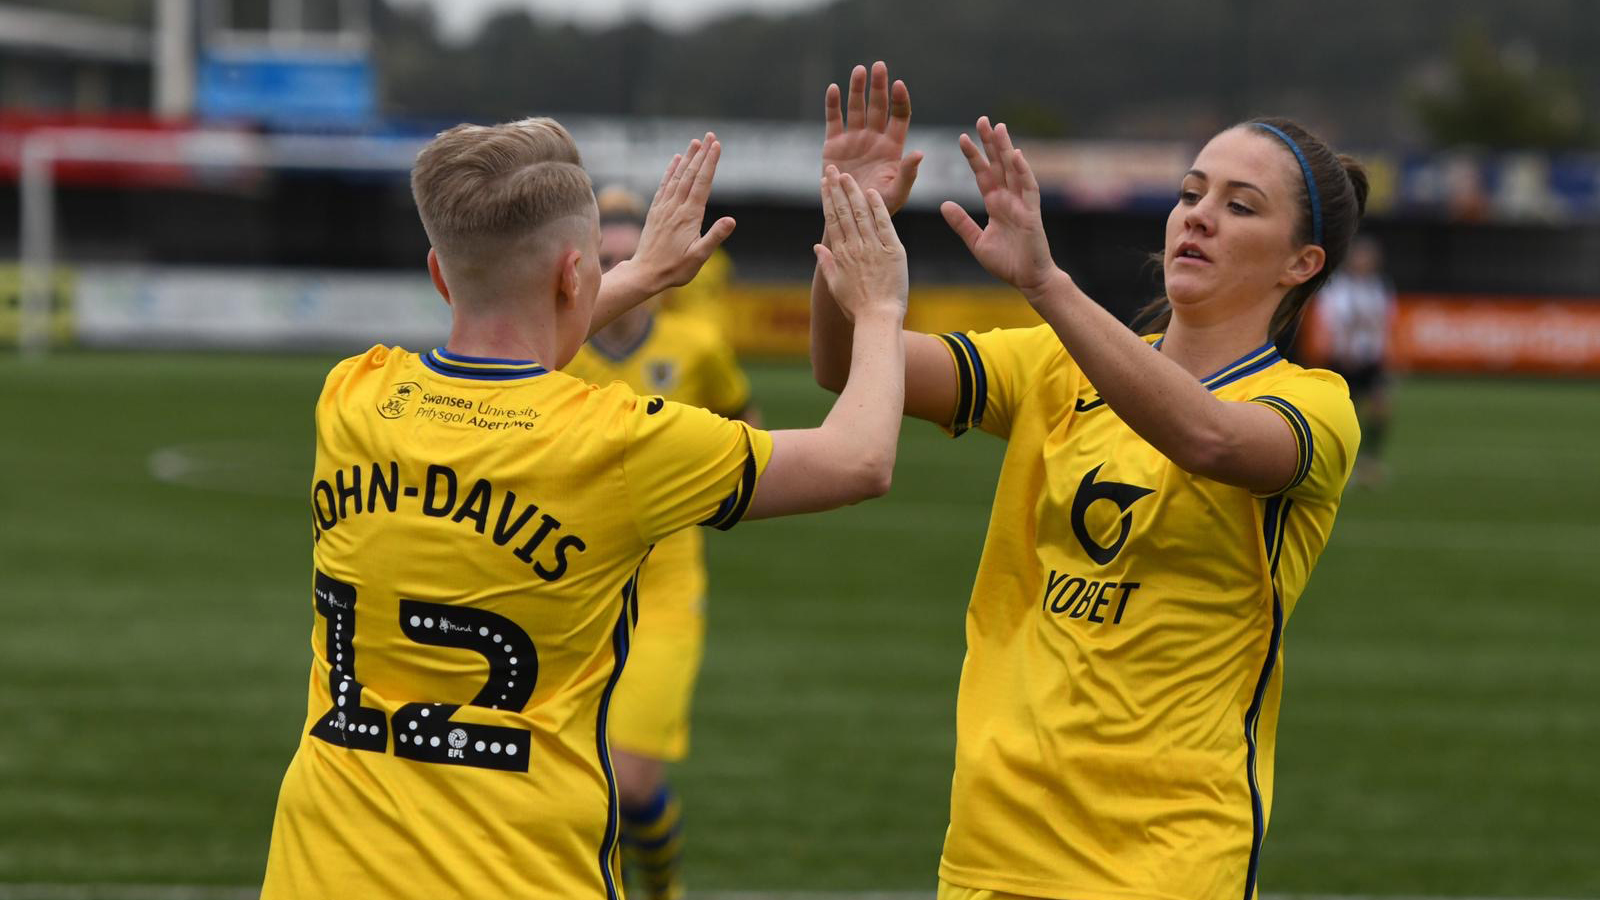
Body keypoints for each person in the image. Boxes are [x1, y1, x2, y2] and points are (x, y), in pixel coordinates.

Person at [260, 117, 911, 900]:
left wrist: (635, 274)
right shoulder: (618, 444)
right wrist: (876, 309)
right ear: (576, 276)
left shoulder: (354, 394)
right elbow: (860, 459)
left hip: (318, 873)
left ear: (439, 273)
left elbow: (517, 346)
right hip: (515, 876)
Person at [811, 63, 1365, 900]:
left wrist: (1044, 282)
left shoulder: (1314, 409)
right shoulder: (1050, 366)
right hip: (995, 844)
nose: (1200, 217)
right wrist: (848, 227)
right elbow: (844, 364)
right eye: (1191, 193)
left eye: (1240, 206)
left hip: (1163, 860)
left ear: (1302, 263)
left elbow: (1207, 437)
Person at [562, 185, 761, 900]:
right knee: (572, 787)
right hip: (570, 589)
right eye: (605, 258)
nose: (618, 270)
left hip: (664, 588)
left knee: (631, 780)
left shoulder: (696, 347)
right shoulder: (558, 353)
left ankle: (664, 890)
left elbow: (743, 418)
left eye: (631, 257)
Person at [1313, 235, 1394, 484]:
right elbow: (1332, 322)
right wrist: (1341, 349)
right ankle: (1340, 465)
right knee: (1347, 414)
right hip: (1345, 361)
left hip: (1371, 359)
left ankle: (1370, 460)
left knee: (1381, 408)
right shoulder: (1338, 288)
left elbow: (1383, 324)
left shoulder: (1379, 288)